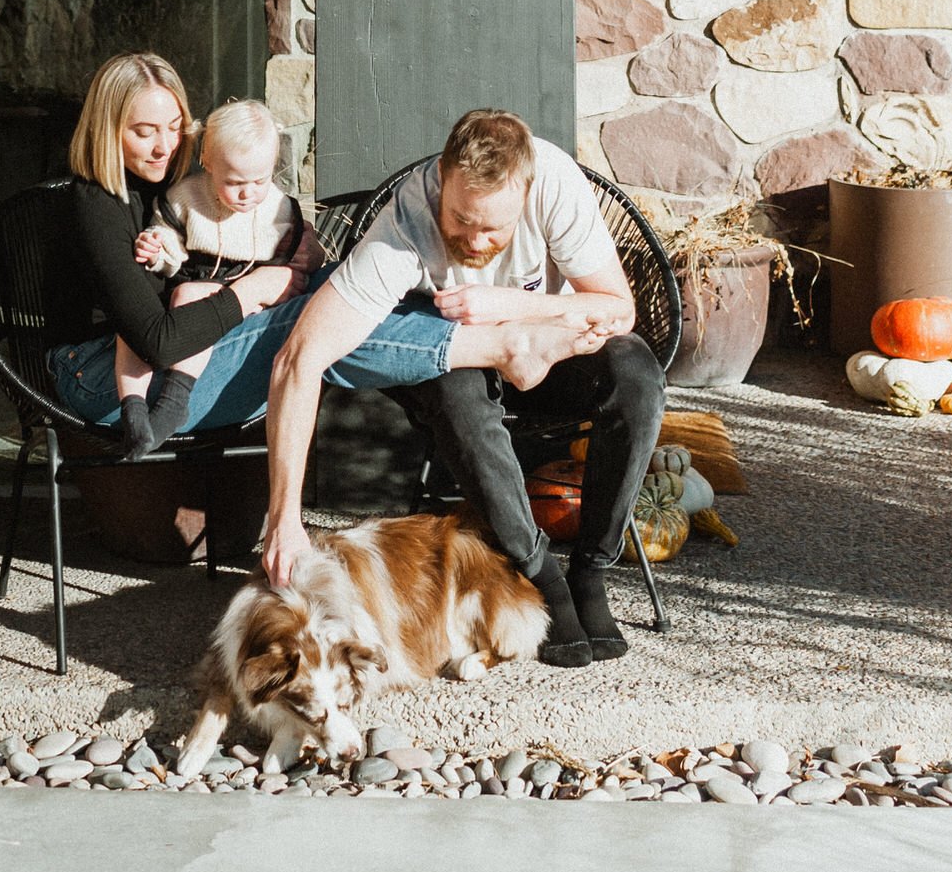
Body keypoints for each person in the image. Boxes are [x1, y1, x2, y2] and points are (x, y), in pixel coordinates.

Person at [263, 107, 666, 668]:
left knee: (636, 373)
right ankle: (539, 571)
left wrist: (513, 308)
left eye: (492, 227)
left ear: (526, 193)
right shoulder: (407, 218)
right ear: (442, 181)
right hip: (458, 360)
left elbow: (617, 308)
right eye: (460, 219)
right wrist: (283, 520)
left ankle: (591, 568)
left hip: (547, 344)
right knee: (456, 395)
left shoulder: (554, 182)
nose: (474, 240)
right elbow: (298, 359)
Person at [51, 55, 605, 460]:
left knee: (335, 293)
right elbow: (157, 340)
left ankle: (490, 345)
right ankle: (500, 346)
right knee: (314, 317)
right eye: (144, 132)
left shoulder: (178, 187)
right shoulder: (94, 204)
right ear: (106, 128)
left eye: (174, 129)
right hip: (108, 384)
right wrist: (256, 289)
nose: (164, 146)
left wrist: (287, 259)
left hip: (173, 369)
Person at [117, 97, 325, 453]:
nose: (247, 193)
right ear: (207, 163)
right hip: (192, 292)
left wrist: (309, 255)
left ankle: (173, 401)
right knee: (139, 318)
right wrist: (158, 247)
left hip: (247, 309)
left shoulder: (276, 208)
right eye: (234, 182)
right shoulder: (187, 198)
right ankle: (133, 408)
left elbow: (306, 253)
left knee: (189, 297)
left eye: (259, 180)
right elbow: (169, 234)